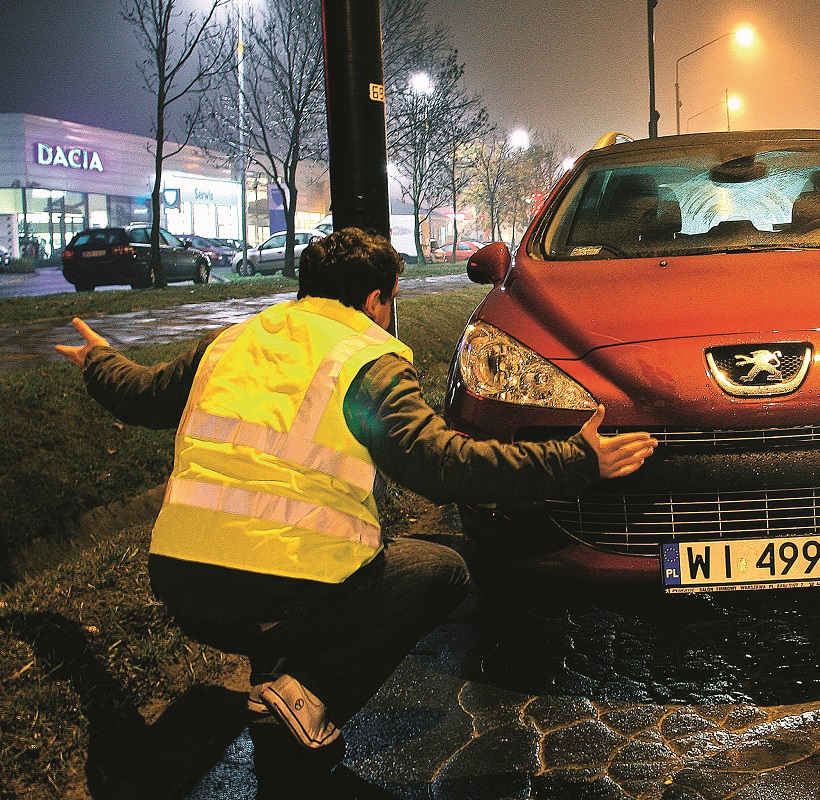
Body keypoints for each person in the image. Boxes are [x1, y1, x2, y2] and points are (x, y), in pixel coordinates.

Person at [56, 227, 657, 799]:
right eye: (391, 299)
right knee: (439, 571)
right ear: (377, 300)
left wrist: (100, 360)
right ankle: (307, 694)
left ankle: (279, 704)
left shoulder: (236, 338)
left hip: (184, 583)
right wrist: (574, 459)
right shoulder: (366, 357)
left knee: (298, 593)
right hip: (285, 587)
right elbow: (437, 464)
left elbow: (144, 394)